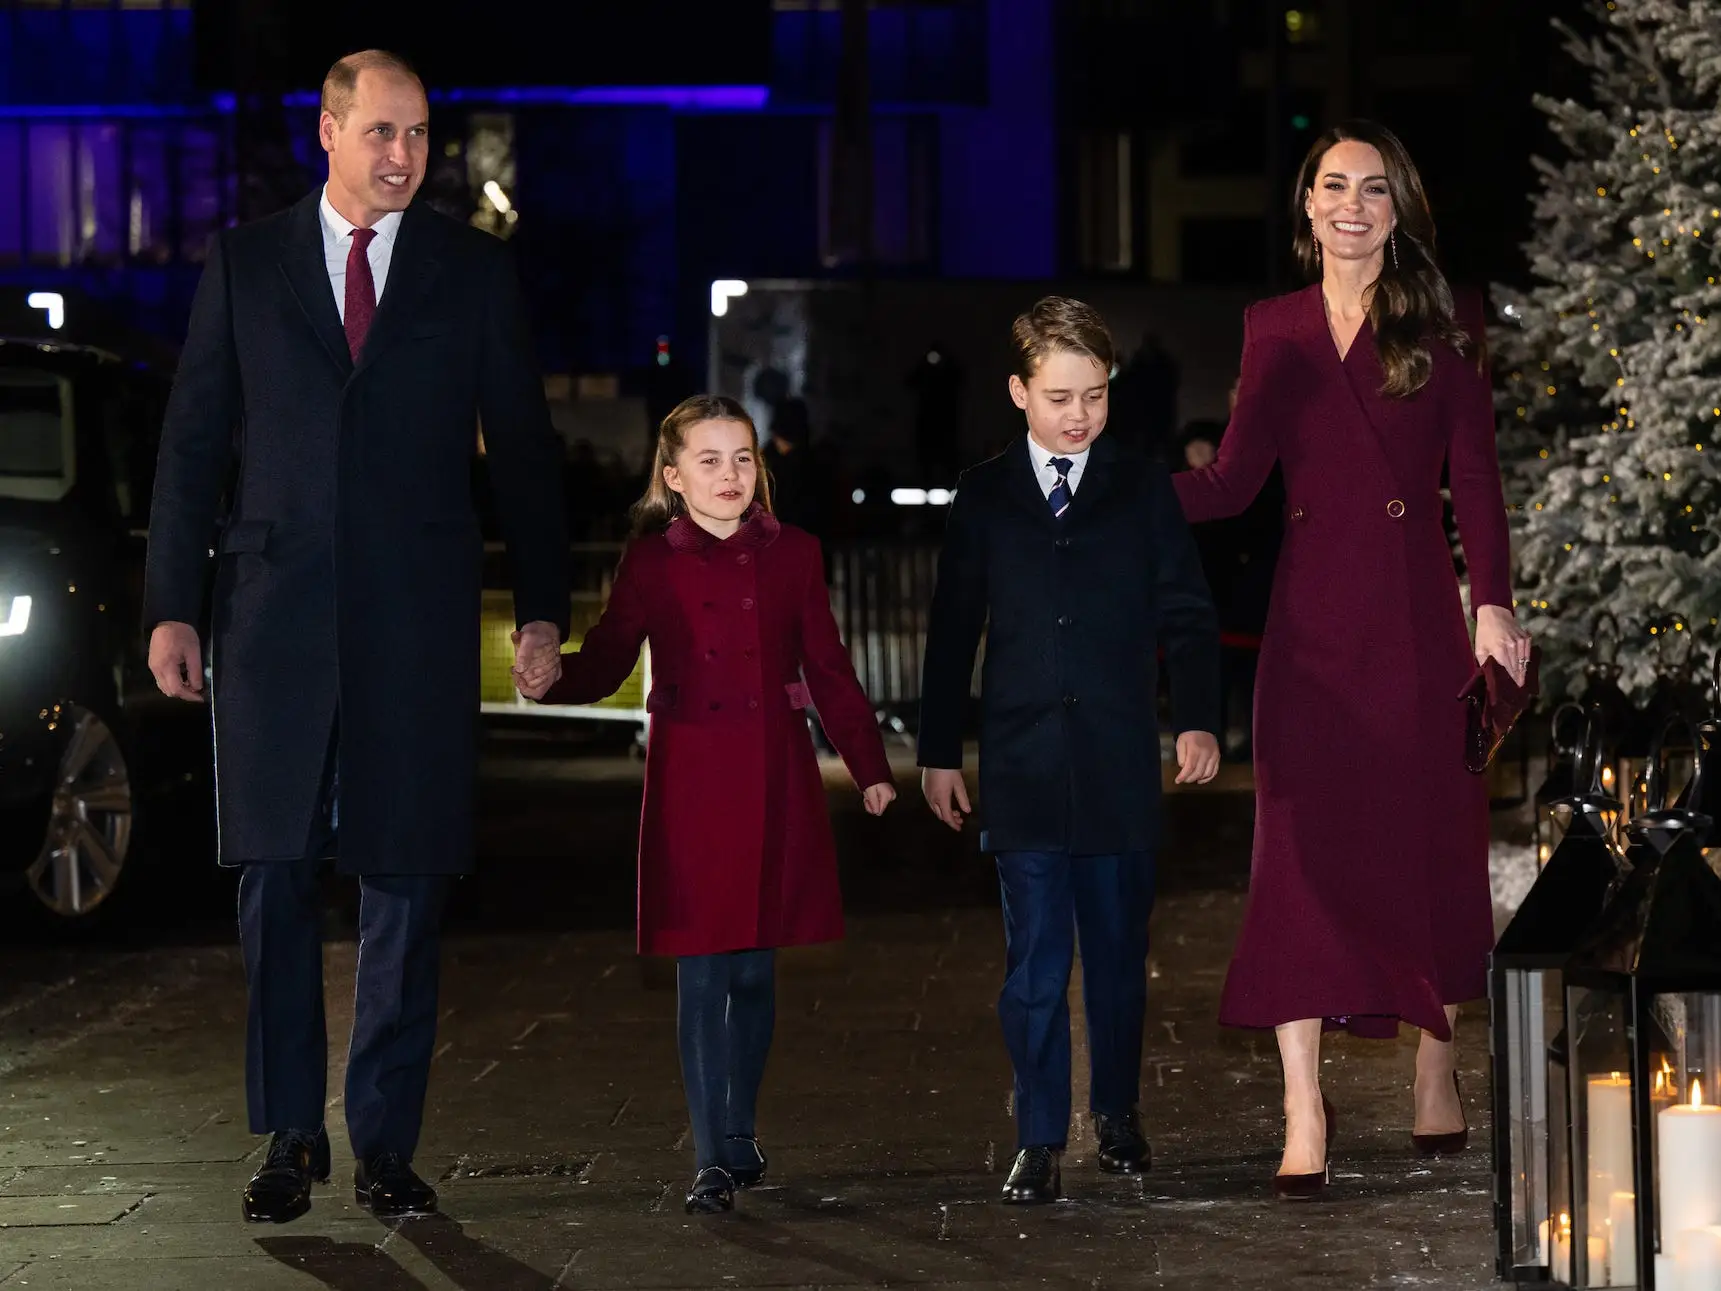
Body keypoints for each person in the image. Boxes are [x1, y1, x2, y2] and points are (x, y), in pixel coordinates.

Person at [143, 50, 570, 1224]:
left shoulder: (471, 274)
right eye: (382, 132)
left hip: (418, 626)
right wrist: (170, 604)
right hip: (270, 620)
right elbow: (192, 447)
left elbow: (525, 453)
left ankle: (382, 1139)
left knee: (406, 881)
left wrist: (542, 608)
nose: (404, 156)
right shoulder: (242, 264)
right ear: (327, 131)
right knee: (272, 877)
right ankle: (290, 1132)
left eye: (421, 135)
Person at [1170, 120, 1532, 1200]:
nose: (1351, 204)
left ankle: (1434, 1060)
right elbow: (1233, 483)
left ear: (1396, 208)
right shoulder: (1269, 328)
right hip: (1310, 634)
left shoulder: (1446, 320)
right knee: (1293, 858)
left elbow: (1474, 480)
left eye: (1372, 189)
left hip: (1418, 626)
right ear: (1307, 206)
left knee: (1430, 843)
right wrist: (1108, 484)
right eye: (1333, 185)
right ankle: (1302, 1104)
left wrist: (1492, 606)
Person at [535, 395, 897, 1215]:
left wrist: (867, 765)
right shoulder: (651, 561)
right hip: (691, 780)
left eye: (742, 458)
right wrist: (554, 671)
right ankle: (708, 1156)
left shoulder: (796, 552)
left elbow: (830, 667)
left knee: (754, 969)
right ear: (671, 476)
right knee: (701, 972)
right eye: (708, 459)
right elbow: (610, 654)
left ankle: (738, 1128)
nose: (729, 474)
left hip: (776, 773)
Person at [917, 296, 1222, 1205]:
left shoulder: (1141, 486)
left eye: (1093, 394)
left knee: (1120, 955)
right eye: (1058, 396)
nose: (1077, 414)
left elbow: (1188, 614)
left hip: (1118, 763)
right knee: (1035, 964)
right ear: (1018, 391)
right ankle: (1038, 1132)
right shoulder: (982, 495)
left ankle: (1118, 1110)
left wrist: (1197, 719)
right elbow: (950, 631)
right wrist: (939, 751)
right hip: (1020, 766)